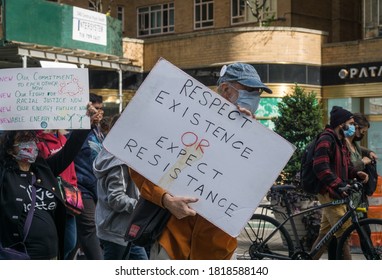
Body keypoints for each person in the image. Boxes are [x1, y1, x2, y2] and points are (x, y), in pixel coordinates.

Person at [129, 62, 272, 260]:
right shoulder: (184, 120)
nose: (254, 97)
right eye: (249, 90)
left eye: (258, 93)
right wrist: (166, 200)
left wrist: (250, 135)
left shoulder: (255, 140)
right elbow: (140, 167)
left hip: (218, 248)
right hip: (173, 243)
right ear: (225, 90)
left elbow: (254, 185)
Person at [0, 104, 102, 260]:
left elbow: (68, 152)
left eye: (32, 140)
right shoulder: (4, 175)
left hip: (51, 254)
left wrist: (86, 122)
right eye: (23, 140)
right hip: (19, 256)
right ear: (9, 149)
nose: (29, 145)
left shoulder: (42, 169)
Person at [310, 106, 369, 260]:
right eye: (350, 123)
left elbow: (346, 166)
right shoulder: (326, 139)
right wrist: (338, 184)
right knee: (344, 232)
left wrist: (356, 173)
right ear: (341, 124)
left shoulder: (340, 141)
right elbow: (320, 166)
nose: (353, 127)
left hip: (335, 191)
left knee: (325, 233)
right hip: (328, 191)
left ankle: (307, 263)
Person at [93, 114, 148, 260]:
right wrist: (143, 207)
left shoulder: (117, 152)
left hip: (126, 228)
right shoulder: (119, 160)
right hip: (116, 232)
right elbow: (116, 199)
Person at [36, 129, 78, 260]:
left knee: (70, 242)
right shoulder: (38, 142)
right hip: (50, 200)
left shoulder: (63, 138)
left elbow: (71, 168)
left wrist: (74, 187)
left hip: (68, 198)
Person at [73, 93, 105, 260]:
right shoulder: (75, 128)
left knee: (81, 236)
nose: (99, 112)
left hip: (99, 186)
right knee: (89, 228)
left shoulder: (99, 130)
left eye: (101, 109)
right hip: (81, 187)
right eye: (95, 108)